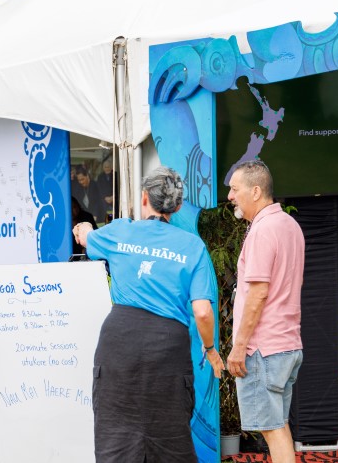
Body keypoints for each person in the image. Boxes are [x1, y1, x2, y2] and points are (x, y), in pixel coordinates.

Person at [74, 166, 225, 462]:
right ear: (178, 206)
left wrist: (83, 229)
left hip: (118, 339)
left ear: (145, 197)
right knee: (170, 436)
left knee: (115, 432)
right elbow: (203, 312)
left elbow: (87, 239)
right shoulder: (193, 247)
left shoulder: (121, 230)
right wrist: (210, 349)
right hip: (168, 344)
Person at [225, 159, 305, 463]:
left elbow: (258, 293)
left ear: (255, 191)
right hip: (287, 345)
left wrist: (239, 347)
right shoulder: (290, 225)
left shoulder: (262, 230)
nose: (230, 196)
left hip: (263, 350)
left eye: (234, 189)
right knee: (278, 426)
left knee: (272, 429)